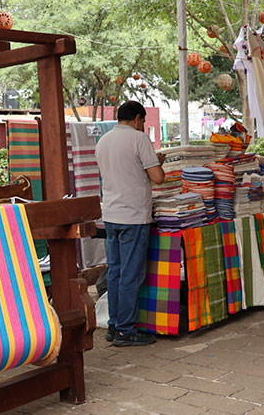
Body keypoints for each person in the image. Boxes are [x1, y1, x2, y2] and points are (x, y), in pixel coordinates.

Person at [95, 101, 165, 347]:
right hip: (133, 217)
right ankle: (126, 330)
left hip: (111, 215)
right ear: (137, 119)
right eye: (143, 122)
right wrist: (160, 162)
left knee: (115, 272)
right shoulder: (139, 139)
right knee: (130, 274)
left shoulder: (103, 141)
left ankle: (114, 326)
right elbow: (157, 178)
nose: (143, 126)